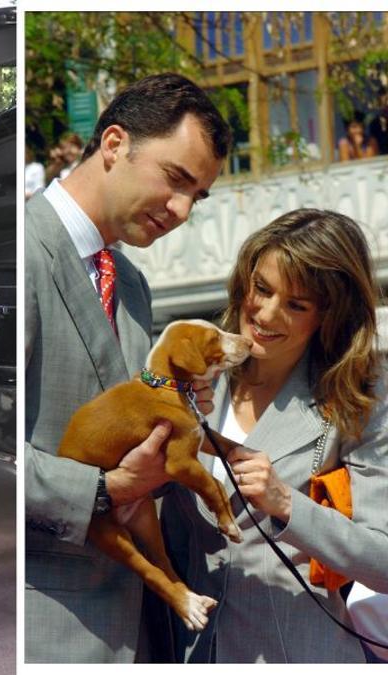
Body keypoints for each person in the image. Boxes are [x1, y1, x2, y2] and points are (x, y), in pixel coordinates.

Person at [24, 73, 230, 663]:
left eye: (199, 196)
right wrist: (102, 490)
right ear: (113, 144)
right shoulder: (21, 252)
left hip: (147, 624)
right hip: (49, 623)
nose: (183, 209)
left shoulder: (133, 284)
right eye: (176, 179)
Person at [161, 209, 388, 663]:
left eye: (296, 305)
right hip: (187, 651)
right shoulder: (188, 375)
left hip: (301, 651)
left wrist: (288, 504)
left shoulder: (360, 398)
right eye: (261, 289)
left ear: (330, 316)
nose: (264, 314)